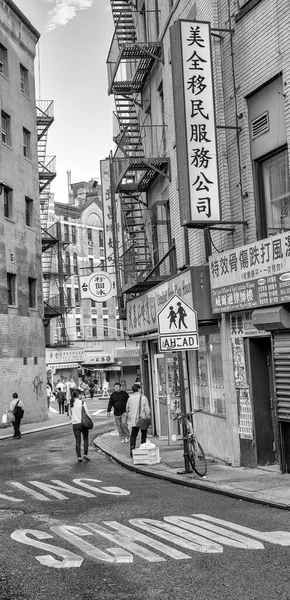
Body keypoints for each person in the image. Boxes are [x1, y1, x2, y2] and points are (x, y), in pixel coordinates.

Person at [126, 383, 151, 457]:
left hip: (133, 420)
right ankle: (143, 449)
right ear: (139, 389)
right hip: (142, 419)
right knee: (144, 434)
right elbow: (147, 409)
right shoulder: (143, 398)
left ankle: (132, 449)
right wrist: (148, 416)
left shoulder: (130, 398)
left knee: (133, 435)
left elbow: (127, 409)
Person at [69, 389, 91, 463]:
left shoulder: (71, 403)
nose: (81, 395)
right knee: (85, 439)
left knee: (77, 441)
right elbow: (87, 413)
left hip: (75, 424)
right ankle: (85, 455)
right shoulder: (82, 402)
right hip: (83, 423)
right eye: (80, 394)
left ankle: (79, 457)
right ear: (78, 395)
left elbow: (69, 414)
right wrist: (90, 420)